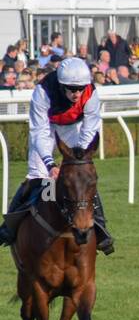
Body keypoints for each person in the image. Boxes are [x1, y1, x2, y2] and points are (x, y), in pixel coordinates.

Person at [0, 58, 114, 253]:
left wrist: (77, 157)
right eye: (72, 89)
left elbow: (90, 129)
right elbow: (40, 132)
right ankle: (9, 227)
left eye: (80, 88)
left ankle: (101, 227)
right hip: (46, 129)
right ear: (62, 86)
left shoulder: (91, 94)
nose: (77, 93)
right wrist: (50, 163)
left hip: (73, 130)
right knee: (39, 177)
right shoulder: (43, 92)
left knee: (81, 176)